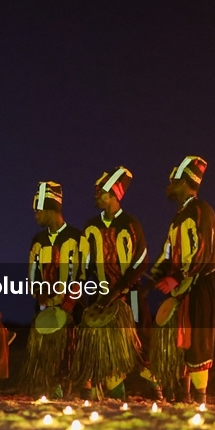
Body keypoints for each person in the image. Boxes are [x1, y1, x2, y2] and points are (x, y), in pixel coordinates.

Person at [70, 167, 149, 401]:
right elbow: (83, 263)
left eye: (100, 193)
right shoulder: (91, 226)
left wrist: (118, 290)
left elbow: (141, 263)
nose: (95, 197)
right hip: (99, 295)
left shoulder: (131, 225)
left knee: (142, 338)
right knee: (100, 342)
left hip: (129, 292)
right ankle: (109, 390)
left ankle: (153, 386)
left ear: (113, 195)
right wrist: (78, 287)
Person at [146, 156, 215, 405]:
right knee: (180, 339)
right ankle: (183, 395)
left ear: (185, 182)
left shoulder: (201, 211)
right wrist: (154, 275)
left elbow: (203, 252)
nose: (169, 186)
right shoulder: (178, 217)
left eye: (173, 182)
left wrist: (176, 277)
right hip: (181, 284)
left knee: (197, 340)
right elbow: (168, 252)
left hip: (201, 282)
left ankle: (200, 398)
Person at [19, 181, 83, 399]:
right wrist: (39, 293)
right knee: (47, 352)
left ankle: (76, 386)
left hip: (72, 307)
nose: (35, 216)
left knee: (71, 349)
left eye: (38, 211)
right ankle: (53, 387)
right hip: (45, 306)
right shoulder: (38, 240)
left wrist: (72, 299)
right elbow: (32, 272)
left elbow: (83, 272)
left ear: (50, 209)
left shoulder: (76, 237)